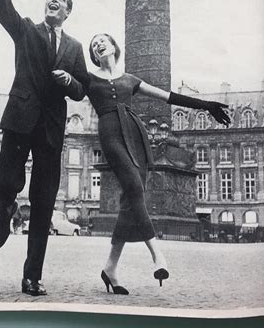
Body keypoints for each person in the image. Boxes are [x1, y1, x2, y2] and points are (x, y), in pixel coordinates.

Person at [86, 33, 230, 295]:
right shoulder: (89, 77)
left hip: (135, 134)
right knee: (134, 187)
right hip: (110, 135)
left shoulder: (130, 79)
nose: (99, 44)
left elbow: (168, 97)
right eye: (94, 44)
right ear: (93, 54)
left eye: (103, 40)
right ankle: (157, 255)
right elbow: (70, 87)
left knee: (130, 199)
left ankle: (110, 268)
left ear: (114, 47)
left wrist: (205, 105)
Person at [0, 0, 87, 297]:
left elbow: (81, 88)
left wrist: (69, 81)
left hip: (50, 129)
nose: (54, 2)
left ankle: (32, 275)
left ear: (67, 12)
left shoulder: (75, 47)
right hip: (20, 116)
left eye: (60, 0)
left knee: (44, 203)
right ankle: (5, 209)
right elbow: (2, 11)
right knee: (4, 182)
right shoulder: (28, 29)